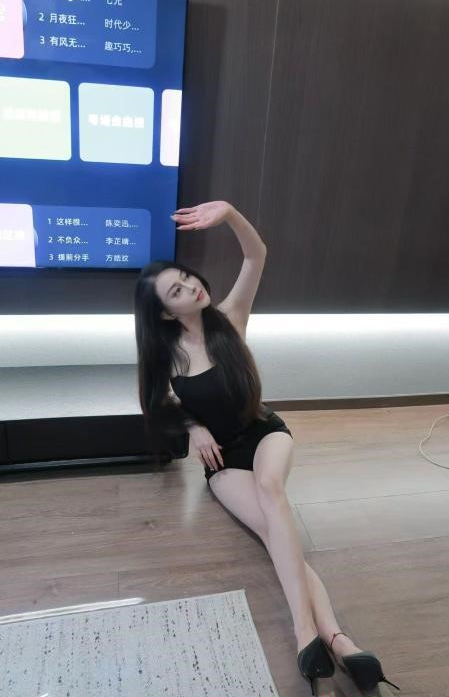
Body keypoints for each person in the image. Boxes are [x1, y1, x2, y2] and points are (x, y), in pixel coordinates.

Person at [134, 200, 399, 697]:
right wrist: (194, 427)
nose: (192, 286)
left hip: (264, 432)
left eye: (187, 278)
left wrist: (230, 213)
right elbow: (156, 403)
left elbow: (256, 256)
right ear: (166, 313)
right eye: (177, 290)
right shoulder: (165, 355)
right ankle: (340, 641)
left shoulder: (230, 317)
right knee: (277, 535)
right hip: (221, 461)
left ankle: (304, 633)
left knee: (272, 488)